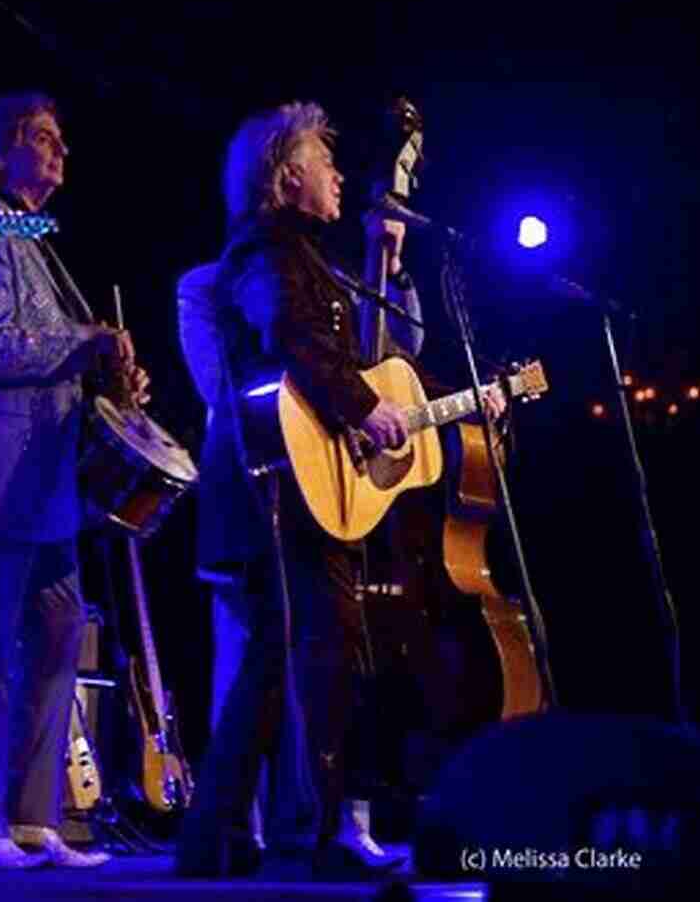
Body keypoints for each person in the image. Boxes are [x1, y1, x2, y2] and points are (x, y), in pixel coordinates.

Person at [175, 101, 430, 880]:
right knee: (328, 653)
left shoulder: (303, 255)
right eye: (327, 163)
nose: (341, 176)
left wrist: (390, 262)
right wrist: (360, 408)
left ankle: (212, 840)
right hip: (277, 493)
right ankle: (314, 839)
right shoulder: (266, 250)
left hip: (278, 489)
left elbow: (372, 355)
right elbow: (291, 340)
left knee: (271, 664)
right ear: (288, 178)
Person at [0, 92, 147, 870]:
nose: (61, 154)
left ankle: (31, 817)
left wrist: (111, 371)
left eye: (61, 140)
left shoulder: (34, 238)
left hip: (43, 479)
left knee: (59, 632)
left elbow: (56, 349)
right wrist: (84, 343)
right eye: (43, 139)